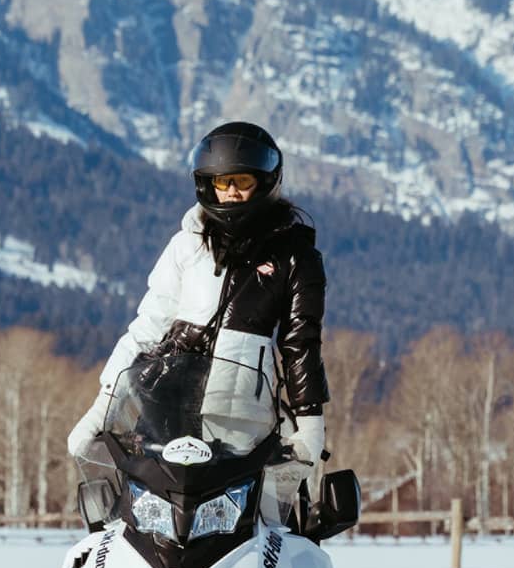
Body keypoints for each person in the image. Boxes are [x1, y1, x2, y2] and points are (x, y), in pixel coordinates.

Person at [67, 121, 330, 494]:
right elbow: (146, 330)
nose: (232, 192)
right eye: (223, 182)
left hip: (245, 426)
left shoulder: (295, 256)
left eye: (242, 180)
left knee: (264, 528)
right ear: (208, 184)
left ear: (265, 181)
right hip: (165, 415)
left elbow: (301, 342)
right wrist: (102, 409)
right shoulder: (185, 245)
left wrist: (310, 426)